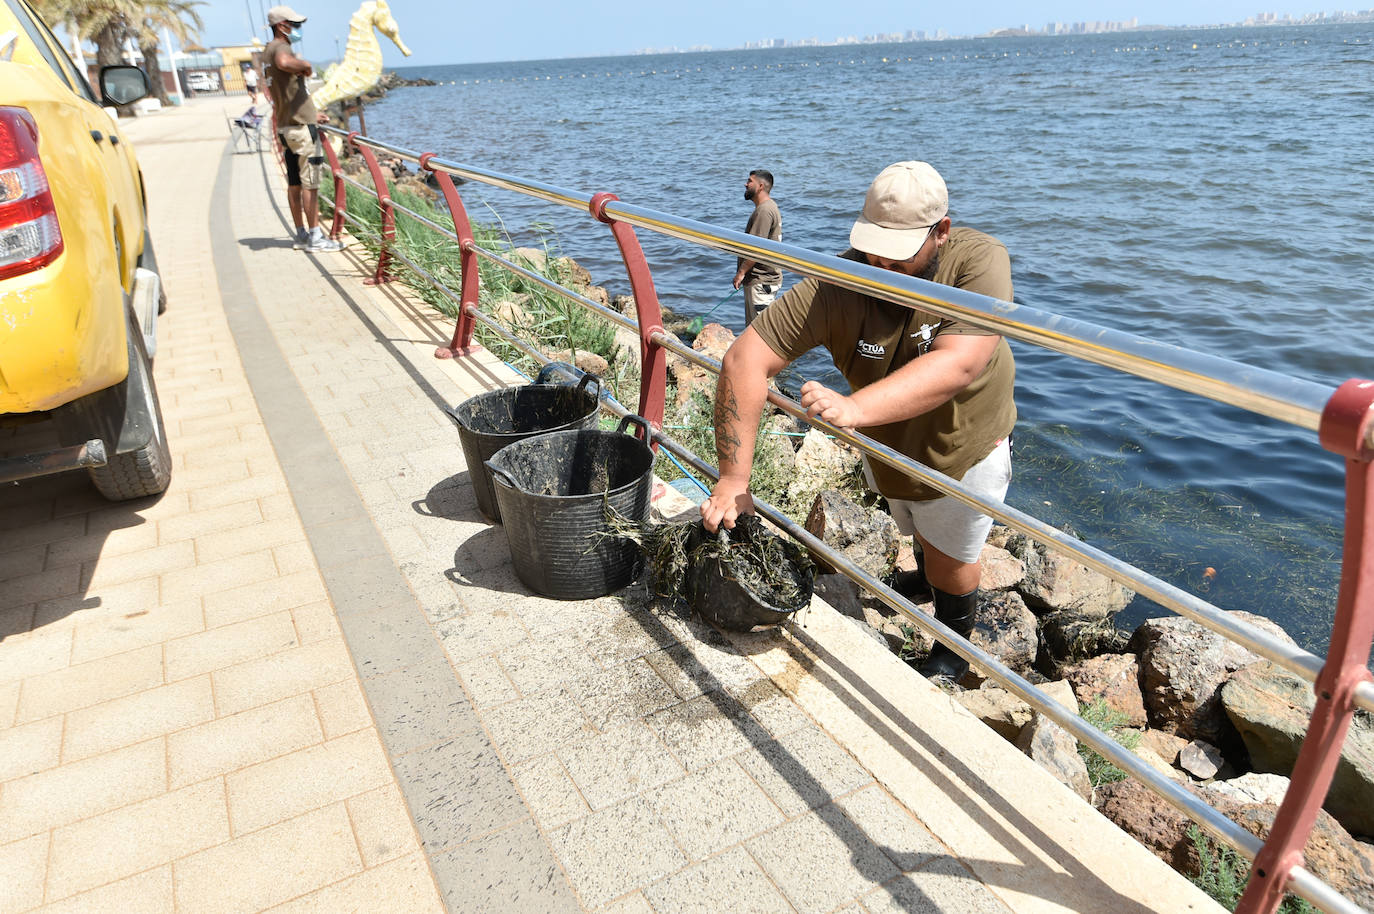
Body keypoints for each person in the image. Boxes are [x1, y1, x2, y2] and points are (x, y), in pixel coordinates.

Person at [701, 161, 1016, 682]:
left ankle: (954, 649)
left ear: (941, 232)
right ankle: (924, 576)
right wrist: (734, 479)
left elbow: (960, 361)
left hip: (963, 445)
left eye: (898, 253)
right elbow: (743, 361)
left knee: (953, 555)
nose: (879, 264)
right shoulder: (843, 279)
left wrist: (855, 409)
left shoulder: (979, 261)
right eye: (872, 247)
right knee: (915, 528)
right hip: (889, 445)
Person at [263, 5, 342, 253]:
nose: (297, 29)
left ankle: (301, 235)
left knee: (294, 184)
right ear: (281, 25)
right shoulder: (281, 48)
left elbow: (287, 92)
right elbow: (285, 62)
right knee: (311, 185)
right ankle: (316, 238)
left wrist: (311, 112)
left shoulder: (266, 52)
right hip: (301, 130)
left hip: (286, 126)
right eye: (294, 24)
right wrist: (304, 64)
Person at [732, 169, 783, 325]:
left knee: (759, 331)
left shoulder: (765, 211)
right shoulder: (767, 207)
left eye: (749, 181)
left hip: (761, 281)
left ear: (760, 186)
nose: (745, 184)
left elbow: (757, 248)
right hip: (759, 279)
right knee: (755, 328)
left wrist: (741, 273)